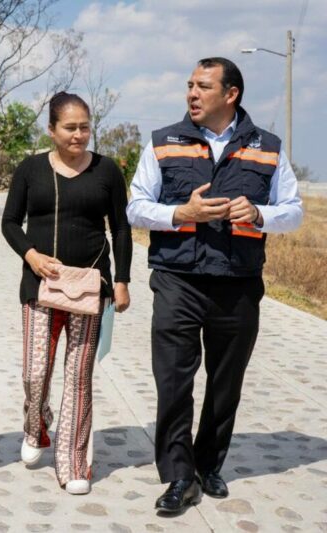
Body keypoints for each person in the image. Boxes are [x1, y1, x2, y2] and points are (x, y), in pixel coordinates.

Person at [127, 57, 304, 513]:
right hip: (177, 280)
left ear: (231, 94)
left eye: (202, 86)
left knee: (226, 382)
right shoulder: (163, 142)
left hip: (238, 283)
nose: (191, 93)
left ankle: (208, 464)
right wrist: (178, 214)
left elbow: (294, 210)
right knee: (173, 381)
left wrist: (262, 214)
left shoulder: (268, 148)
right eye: (189, 84)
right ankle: (178, 477)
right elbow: (136, 207)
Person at [1, 91, 132, 495]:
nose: (79, 135)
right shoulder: (30, 170)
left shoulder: (107, 171)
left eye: (85, 127)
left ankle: (74, 462)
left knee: (79, 376)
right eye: (70, 128)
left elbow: (122, 228)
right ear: (52, 130)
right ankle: (36, 428)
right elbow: (9, 222)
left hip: (91, 288)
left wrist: (122, 280)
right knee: (34, 372)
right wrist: (31, 255)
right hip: (40, 286)